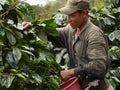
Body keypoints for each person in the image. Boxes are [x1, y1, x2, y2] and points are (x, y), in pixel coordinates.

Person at [23, 0, 113, 90]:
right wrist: (34, 27)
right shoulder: (71, 30)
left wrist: (72, 72)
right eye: (68, 15)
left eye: (72, 16)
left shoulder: (94, 35)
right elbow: (55, 33)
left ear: (84, 13)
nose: (68, 20)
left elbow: (98, 65)